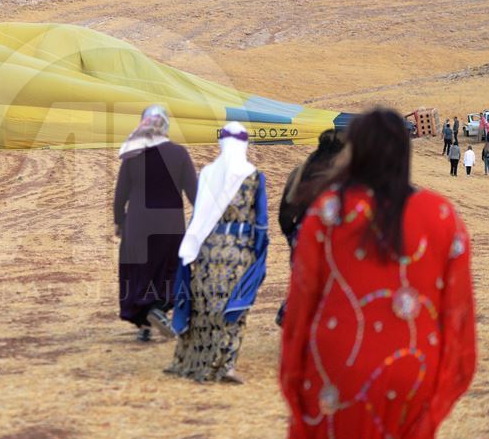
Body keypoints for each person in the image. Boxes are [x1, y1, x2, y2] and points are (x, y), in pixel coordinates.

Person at [280, 108, 476, 439]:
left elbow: (300, 312)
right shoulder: (442, 215)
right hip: (411, 372)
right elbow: (458, 316)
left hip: (333, 372)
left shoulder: (327, 213)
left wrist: (294, 381)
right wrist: (441, 385)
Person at [166, 122, 268, 383]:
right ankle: (225, 364)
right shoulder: (253, 175)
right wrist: (259, 252)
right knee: (234, 304)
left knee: (203, 305)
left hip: (208, 248)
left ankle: (194, 361)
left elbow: (200, 213)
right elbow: (261, 220)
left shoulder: (208, 173)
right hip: (239, 250)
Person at [114, 105, 197, 341]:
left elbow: (121, 193)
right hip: (171, 226)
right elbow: (194, 192)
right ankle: (156, 309)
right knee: (167, 271)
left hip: (138, 225)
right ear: (165, 125)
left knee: (138, 272)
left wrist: (119, 221)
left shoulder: (132, 154)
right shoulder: (179, 153)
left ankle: (144, 323)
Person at [277, 129, 346, 326]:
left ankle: (292, 315)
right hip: (331, 238)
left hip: (301, 234)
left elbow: (285, 209)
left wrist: (292, 234)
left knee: (301, 281)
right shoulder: (342, 177)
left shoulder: (300, 171)